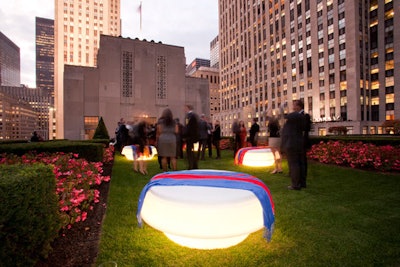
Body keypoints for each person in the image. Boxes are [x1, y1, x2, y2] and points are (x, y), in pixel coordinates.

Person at [281, 100, 305, 190]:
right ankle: (300, 183)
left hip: (291, 143)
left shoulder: (296, 115)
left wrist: (282, 108)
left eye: (294, 105)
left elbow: (284, 116)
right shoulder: (300, 116)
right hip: (296, 143)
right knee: (297, 164)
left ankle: (295, 185)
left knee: (293, 164)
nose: (292, 107)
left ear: (298, 107)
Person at [183, 104, 200, 169]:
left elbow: (187, 127)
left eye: (185, 108)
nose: (184, 109)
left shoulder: (189, 116)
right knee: (192, 152)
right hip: (194, 136)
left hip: (190, 137)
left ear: (187, 108)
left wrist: (184, 135)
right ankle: (194, 165)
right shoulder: (195, 115)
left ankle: (191, 166)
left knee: (189, 152)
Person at [299, 101, 312, 188]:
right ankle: (299, 179)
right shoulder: (297, 115)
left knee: (302, 161)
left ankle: (303, 181)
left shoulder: (305, 116)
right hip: (297, 141)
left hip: (302, 142)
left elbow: (306, 128)